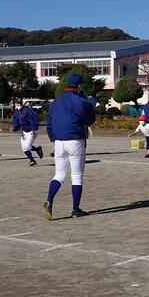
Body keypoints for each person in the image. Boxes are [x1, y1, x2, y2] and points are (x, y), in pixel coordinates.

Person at [42, 73, 96, 219]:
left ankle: (49, 199)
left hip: (59, 142)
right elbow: (90, 120)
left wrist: (54, 139)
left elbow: (49, 124)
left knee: (59, 174)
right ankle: (75, 209)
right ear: (79, 86)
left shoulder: (55, 102)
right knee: (77, 176)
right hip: (75, 140)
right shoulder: (81, 102)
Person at [11, 98, 43, 166]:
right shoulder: (16, 113)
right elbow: (16, 123)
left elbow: (35, 119)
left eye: (20, 103)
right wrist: (14, 128)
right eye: (18, 103)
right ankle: (33, 160)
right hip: (24, 132)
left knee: (28, 147)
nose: (19, 104)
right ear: (15, 104)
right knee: (24, 148)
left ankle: (37, 150)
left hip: (32, 130)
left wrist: (34, 129)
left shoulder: (28, 110)